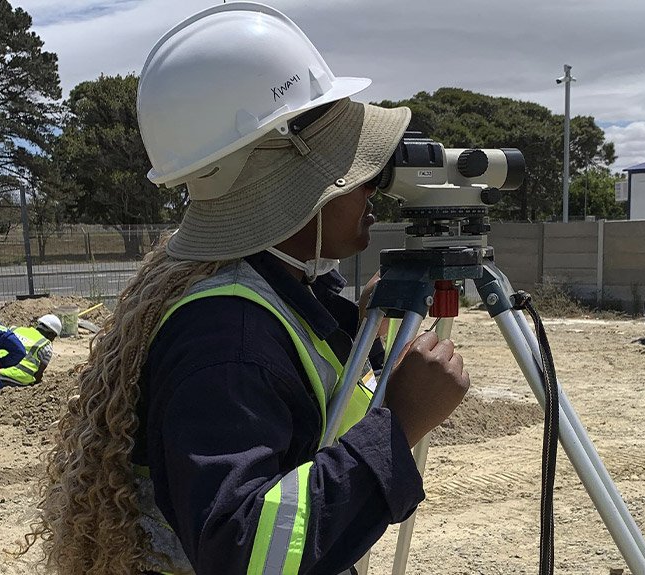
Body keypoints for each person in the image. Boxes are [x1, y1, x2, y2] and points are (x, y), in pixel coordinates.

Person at [24, 4, 471, 575]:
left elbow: (295, 412)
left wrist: (358, 328)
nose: (371, 187)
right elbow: (243, 549)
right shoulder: (228, 336)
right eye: (356, 169)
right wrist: (400, 424)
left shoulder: (271, 287)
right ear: (295, 182)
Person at [0, 314, 61, 386]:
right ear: (51, 335)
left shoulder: (14, 329)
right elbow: (38, 375)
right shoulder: (46, 346)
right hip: (18, 381)